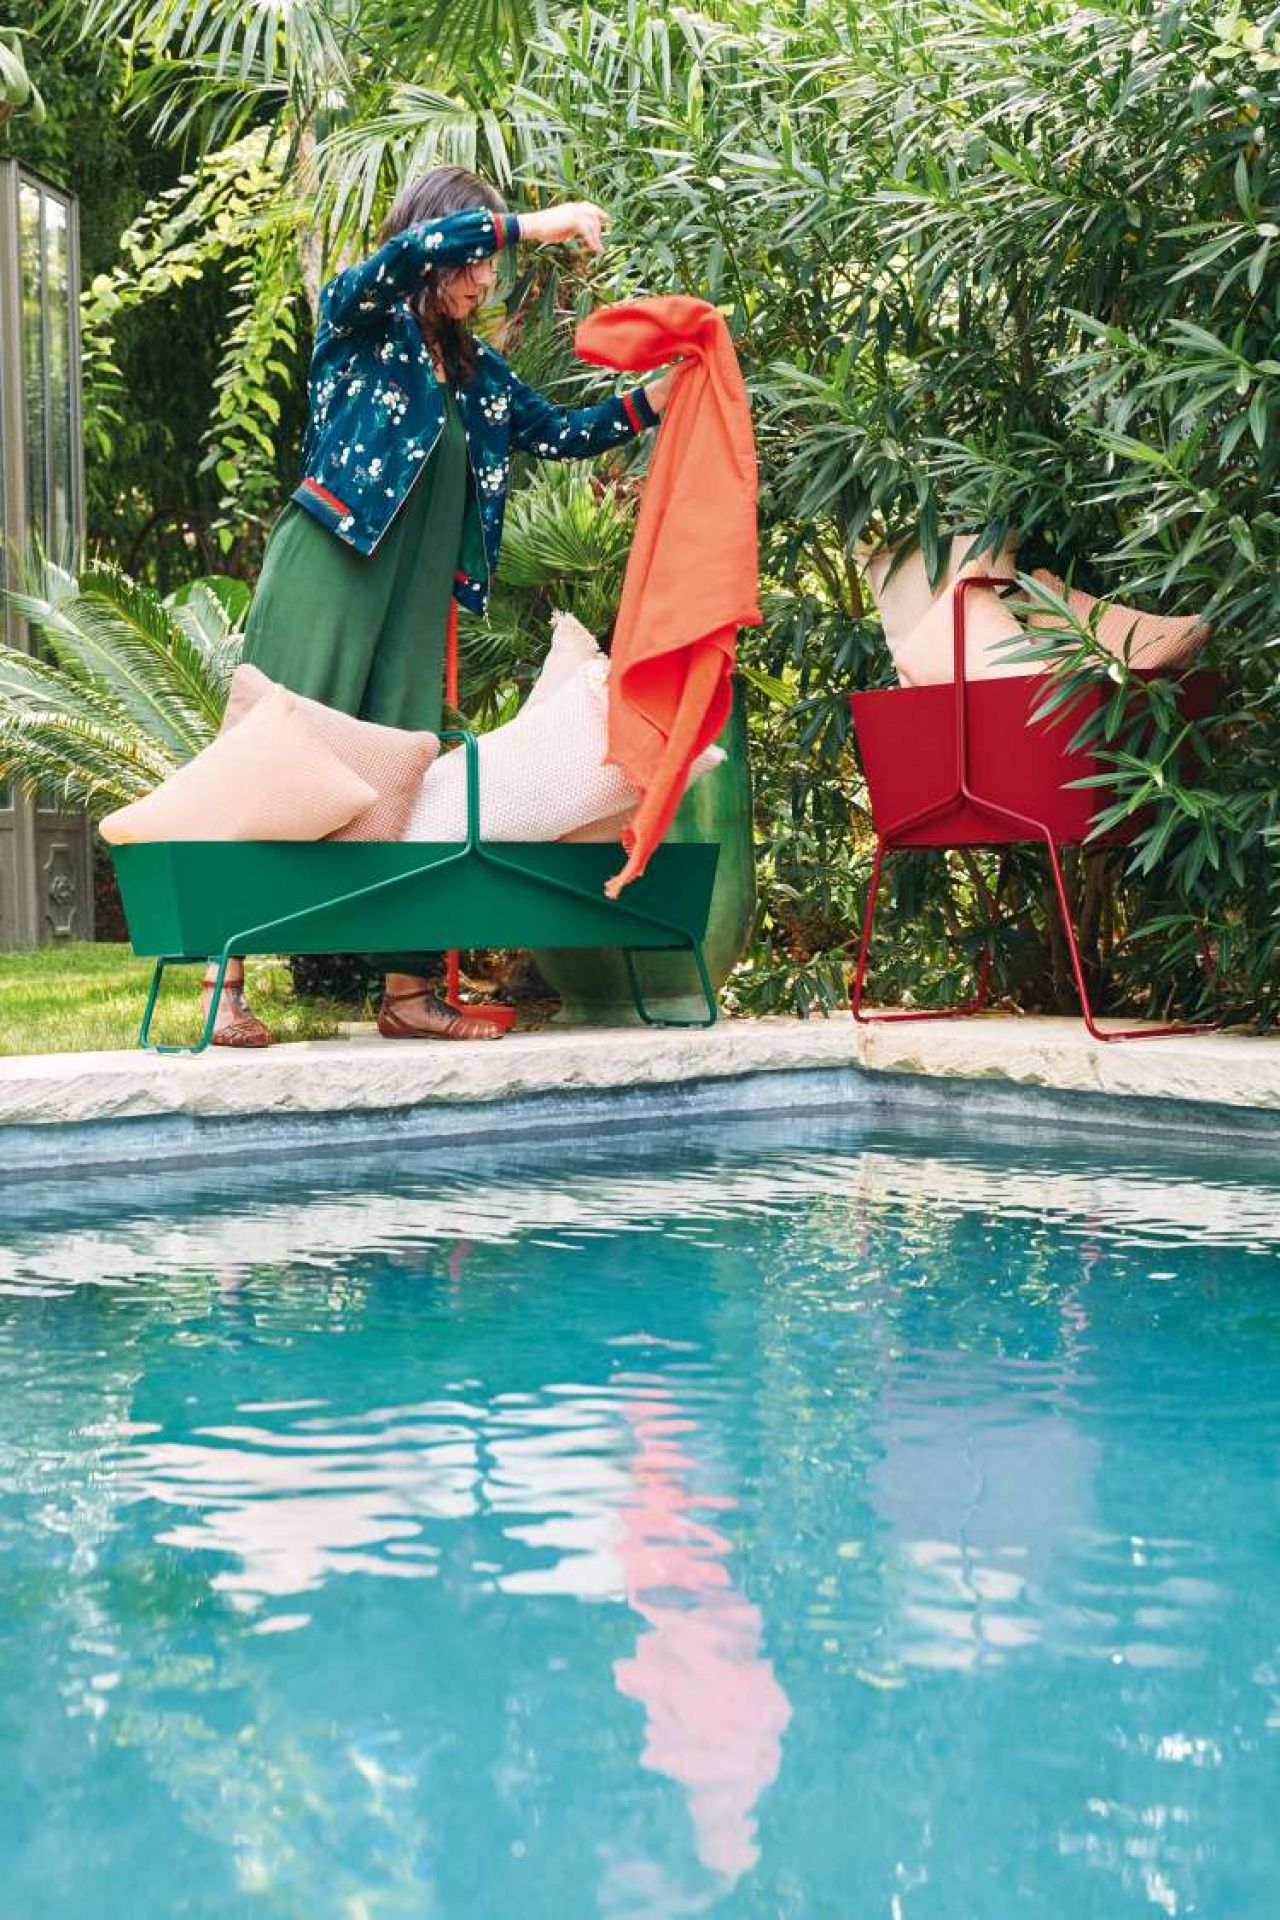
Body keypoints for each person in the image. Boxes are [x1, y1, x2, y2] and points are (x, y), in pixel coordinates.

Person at [205, 165, 682, 1046]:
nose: (482, 280)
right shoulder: (359, 315)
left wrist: (658, 397)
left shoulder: (475, 371)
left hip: (413, 603)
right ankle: (220, 983)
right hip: (331, 567)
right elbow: (413, 251)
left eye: (488, 265)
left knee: (408, 784)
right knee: (275, 755)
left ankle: (406, 992)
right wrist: (532, 224)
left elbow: (561, 431)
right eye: (474, 259)